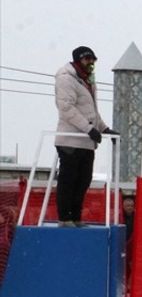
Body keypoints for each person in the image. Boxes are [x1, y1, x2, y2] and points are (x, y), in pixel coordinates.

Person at [53, 46, 116, 226]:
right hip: (71, 140)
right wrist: (89, 129)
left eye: (93, 60)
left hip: (86, 142)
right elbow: (66, 109)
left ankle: (76, 217)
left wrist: (103, 129)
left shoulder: (88, 80)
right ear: (78, 60)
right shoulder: (66, 78)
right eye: (87, 59)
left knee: (83, 181)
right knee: (68, 180)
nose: (91, 63)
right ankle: (65, 218)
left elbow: (91, 111)